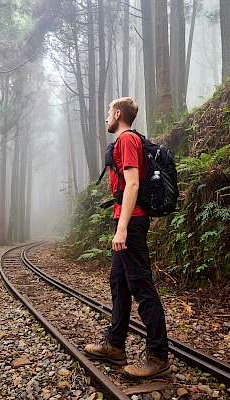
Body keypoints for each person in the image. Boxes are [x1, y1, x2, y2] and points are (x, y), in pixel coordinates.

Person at [85, 97, 171, 379]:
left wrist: (122, 228)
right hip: (127, 218)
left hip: (131, 222)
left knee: (140, 285)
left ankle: (158, 356)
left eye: (108, 112)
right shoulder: (127, 141)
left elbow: (132, 182)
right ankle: (115, 344)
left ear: (118, 113)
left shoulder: (126, 141)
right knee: (119, 282)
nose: (106, 118)